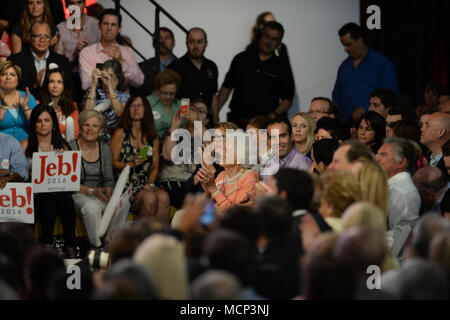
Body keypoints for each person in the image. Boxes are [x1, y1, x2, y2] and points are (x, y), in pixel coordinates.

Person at [216, 21, 295, 128]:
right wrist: (215, 113)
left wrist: (275, 114)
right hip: (237, 122)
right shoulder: (241, 59)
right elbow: (226, 87)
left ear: (279, 42)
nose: (269, 41)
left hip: (264, 126)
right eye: (267, 36)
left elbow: (287, 99)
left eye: (274, 39)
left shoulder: (282, 67)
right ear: (261, 36)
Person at [23, 104, 77, 257]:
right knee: (48, 195)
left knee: (64, 197)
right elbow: (20, 174)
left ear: (53, 122)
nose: (43, 124)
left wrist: (62, 160)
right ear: (34, 124)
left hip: (60, 195)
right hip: (34, 194)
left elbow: (69, 178)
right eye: (39, 121)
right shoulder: (26, 145)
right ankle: (47, 243)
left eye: (47, 120)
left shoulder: (63, 146)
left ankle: (71, 245)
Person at [111, 95, 170, 220]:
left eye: (139, 105)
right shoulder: (120, 133)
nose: (135, 109)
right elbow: (113, 163)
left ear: (146, 109)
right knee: (150, 197)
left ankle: (160, 237)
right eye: (132, 106)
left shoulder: (151, 136)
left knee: (164, 197)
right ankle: (142, 238)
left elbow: (155, 167)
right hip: (126, 185)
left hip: (145, 184)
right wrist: (131, 164)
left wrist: (150, 184)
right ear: (127, 110)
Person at [332, 23, 398, 121]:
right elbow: (337, 94)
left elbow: (390, 97)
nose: (346, 49)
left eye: (349, 44)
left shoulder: (381, 63)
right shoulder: (344, 66)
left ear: (360, 39)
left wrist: (366, 108)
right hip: (346, 124)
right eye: (344, 45)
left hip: (373, 123)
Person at [68, 110, 114, 249]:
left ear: (100, 131)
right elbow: (69, 184)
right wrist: (93, 191)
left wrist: (109, 192)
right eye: (86, 124)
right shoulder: (70, 147)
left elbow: (109, 180)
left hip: (99, 195)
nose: (90, 129)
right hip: (78, 195)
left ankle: (111, 244)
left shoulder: (105, 149)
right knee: (91, 207)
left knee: (121, 205)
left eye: (94, 126)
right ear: (80, 127)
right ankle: (96, 247)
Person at [198, 122, 258, 215]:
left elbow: (236, 215)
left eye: (226, 150)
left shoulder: (250, 177)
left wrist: (213, 188)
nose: (221, 152)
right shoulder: (222, 175)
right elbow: (208, 201)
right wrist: (205, 180)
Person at [160, 98, 209, 208]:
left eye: (201, 111)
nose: (196, 113)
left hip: (193, 184)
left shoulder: (209, 135)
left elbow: (212, 148)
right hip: (171, 181)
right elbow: (168, 156)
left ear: (207, 120)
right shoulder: (175, 131)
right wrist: (174, 126)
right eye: (193, 109)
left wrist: (197, 123)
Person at [79, 9, 144, 91]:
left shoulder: (127, 52)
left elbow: (139, 81)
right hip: (96, 100)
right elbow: (85, 86)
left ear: (119, 28)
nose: (109, 28)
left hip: (122, 101)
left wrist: (121, 61)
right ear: (99, 26)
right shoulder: (87, 52)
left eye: (113, 25)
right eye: (105, 24)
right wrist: (102, 76)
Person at [8, 21, 70, 98]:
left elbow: (68, 92)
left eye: (46, 36)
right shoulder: (15, 61)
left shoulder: (62, 62)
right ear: (29, 37)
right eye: (37, 36)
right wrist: (35, 86)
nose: (42, 40)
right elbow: (10, 91)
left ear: (50, 39)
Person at [167, 27, 218, 119]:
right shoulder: (176, 66)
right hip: (184, 120)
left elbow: (213, 95)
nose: (195, 46)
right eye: (191, 42)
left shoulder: (211, 66)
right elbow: (171, 97)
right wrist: (183, 118)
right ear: (186, 44)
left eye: (199, 42)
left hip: (207, 120)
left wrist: (215, 120)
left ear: (206, 44)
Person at [376, 137, 420, 231]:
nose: (377, 159)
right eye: (378, 154)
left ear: (401, 163)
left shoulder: (403, 193)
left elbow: (400, 238)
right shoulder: (389, 186)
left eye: (383, 155)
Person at [82, 59, 129, 137]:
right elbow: (86, 115)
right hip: (93, 135)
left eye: (110, 76)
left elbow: (119, 113)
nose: (107, 78)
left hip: (114, 137)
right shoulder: (93, 91)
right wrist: (94, 83)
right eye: (105, 75)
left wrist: (110, 85)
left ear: (117, 80)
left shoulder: (124, 97)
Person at [0, 61, 38, 144]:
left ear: (18, 79)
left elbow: (38, 125)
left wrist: (25, 108)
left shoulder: (27, 97)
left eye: (12, 75)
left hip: (27, 145)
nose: (8, 77)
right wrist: (3, 107)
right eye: (3, 74)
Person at [39, 68, 79, 141]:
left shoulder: (72, 106)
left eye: (59, 82)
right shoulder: (38, 104)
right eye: (51, 81)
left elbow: (75, 133)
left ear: (64, 85)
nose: (55, 86)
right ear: (46, 84)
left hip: (68, 147)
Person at [137, 27, 176, 97]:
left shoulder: (183, 67)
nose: (163, 41)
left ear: (173, 43)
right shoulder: (143, 67)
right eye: (159, 38)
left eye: (167, 38)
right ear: (153, 43)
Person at [147, 68, 183, 140]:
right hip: (151, 144)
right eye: (164, 93)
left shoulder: (180, 105)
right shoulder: (147, 102)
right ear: (158, 90)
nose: (168, 97)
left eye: (172, 93)